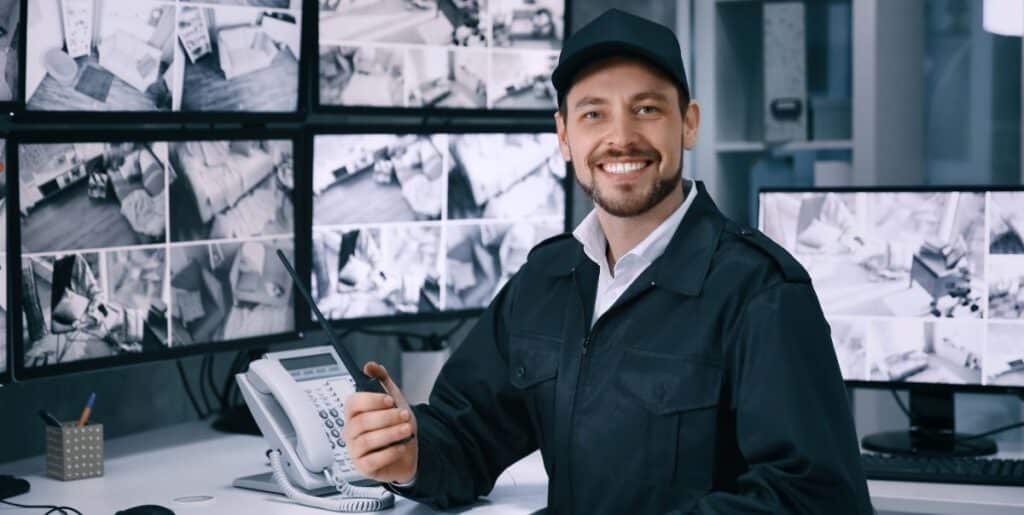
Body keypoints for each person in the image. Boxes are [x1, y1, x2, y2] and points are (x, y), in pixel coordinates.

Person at [342, 9, 872, 514]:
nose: (620, 137)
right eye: (594, 113)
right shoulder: (545, 281)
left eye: (646, 109)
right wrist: (409, 454)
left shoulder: (762, 293)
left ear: (688, 124)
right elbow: (467, 435)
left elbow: (816, 499)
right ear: (565, 136)